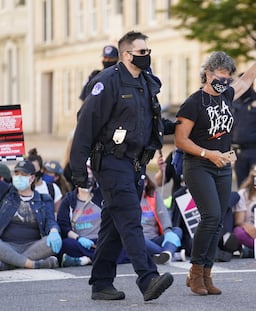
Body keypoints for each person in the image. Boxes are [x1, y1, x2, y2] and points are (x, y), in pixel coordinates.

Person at [70, 31, 173, 302]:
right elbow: (86, 125)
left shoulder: (147, 82)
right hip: (112, 162)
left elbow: (152, 120)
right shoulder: (107, 81)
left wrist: (179, 126)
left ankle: (102, 283)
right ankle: (147, 277)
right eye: (141, 52)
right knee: (129, 218)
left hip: (136, 163)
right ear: (126, 55)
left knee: (114, 225)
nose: (147, 56)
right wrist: (77, 168)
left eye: (147, 51)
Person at [175, 43, 256, 296]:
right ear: (207, 73)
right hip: (199, 165)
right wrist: (209, 154)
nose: (225, 80)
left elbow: (246, 80)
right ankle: (196, 273)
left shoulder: (228, 95)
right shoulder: (193, 102)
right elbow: (181, 140)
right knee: (209, 217)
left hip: (222, 167)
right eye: (220, 75)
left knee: (218, 220)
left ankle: (206, 274)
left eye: (228, 76)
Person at [57, 164, 129, 267]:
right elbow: (64, 226)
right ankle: (102, 259)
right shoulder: (68, 200)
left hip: (102, 240)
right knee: (66, 244)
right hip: (81, 242)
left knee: (122, 244)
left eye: (90, 176)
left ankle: (88, 260)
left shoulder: (102, 196)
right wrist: (78, 239)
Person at [0, 160, 62, 271]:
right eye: (16, 174)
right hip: (6, 245)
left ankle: (10, 263)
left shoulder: (44, 199)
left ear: (32, 178)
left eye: (23, 175)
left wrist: (54, 231)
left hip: (33, 246)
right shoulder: (6, 194)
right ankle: (32, 264)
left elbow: (50, 220)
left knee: (51, 243)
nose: (18, 177)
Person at [141, 174, 183, 264]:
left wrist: (167, 231)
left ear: (147, 182)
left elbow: (164, 215)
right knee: (137, 238)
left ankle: (166, 254)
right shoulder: (128, 199)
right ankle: (170, 254)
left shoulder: (154, 196)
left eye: (144, 181)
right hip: (139, 239)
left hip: (155, 239)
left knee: (176, 230)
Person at [27, 148, 63, 215]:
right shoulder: (21, 188)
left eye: (33, 169)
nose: (31, 172)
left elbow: (58, 214)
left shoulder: (53, 189)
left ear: (42, 169)